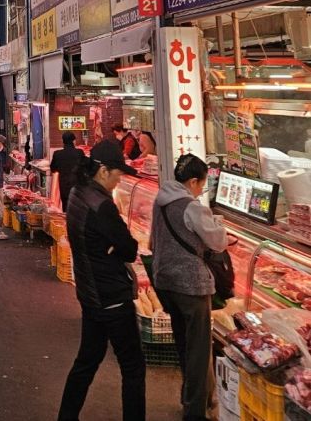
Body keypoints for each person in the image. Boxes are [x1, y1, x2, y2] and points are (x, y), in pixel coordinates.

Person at [58, 140, 144, 421]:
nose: (119, 180)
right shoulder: (102, 206)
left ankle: (66, 416)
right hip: (112, 297)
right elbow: (130, 249)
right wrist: (115, 247)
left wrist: (112, 246)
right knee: (132, 367)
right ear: (104, 171)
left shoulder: (76, 193)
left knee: (87, 361)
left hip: (90, 293)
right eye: (118, 174)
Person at [151, 154, 227, 421]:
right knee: (198, 351)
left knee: (184, 345)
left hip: (165, 282)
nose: (200, 191)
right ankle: (194, 413)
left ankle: (196, 400)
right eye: (202, 185)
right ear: (193, 181)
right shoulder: (191, 207)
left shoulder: (159, 200)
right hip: (191, 286)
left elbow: (153, 241)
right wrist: (219, 225)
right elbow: (218, 243)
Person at [50, 132, 86, 211]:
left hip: (64, 186)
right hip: (78, 187)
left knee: (66, 209)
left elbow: (53, 169)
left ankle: (66, 222)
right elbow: (85, 167)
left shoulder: (57, 154)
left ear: (63, 141)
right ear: (73, 141)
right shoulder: (80, 152)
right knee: (78, 210)